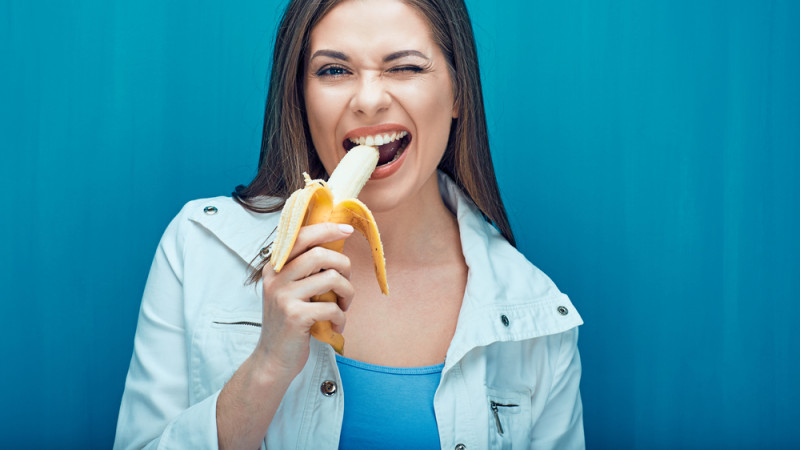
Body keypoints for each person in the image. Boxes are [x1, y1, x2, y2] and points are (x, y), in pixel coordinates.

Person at [114, 0, 585, 448]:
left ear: (459, 91)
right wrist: (268, 365)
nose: (368, 99)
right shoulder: (199, 247)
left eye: (404, 67)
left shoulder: (535, 316)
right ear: (300, 94)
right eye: (334, 70)